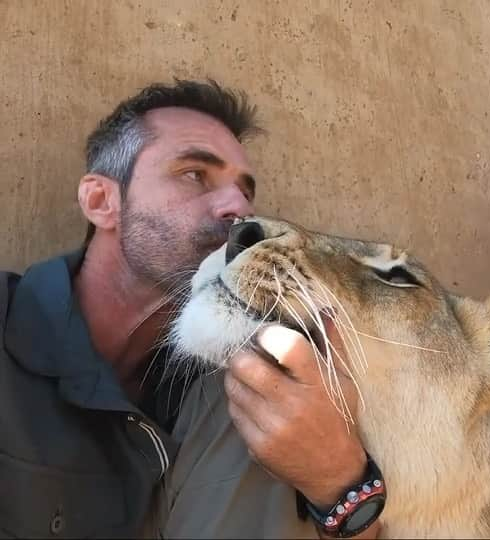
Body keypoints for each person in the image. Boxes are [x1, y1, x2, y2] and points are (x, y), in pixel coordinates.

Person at [0, 79, 380, 539]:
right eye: (195, 174)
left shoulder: (237, 389)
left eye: (246, 191)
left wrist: (338, 483)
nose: (238, 208)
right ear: (102, 202)